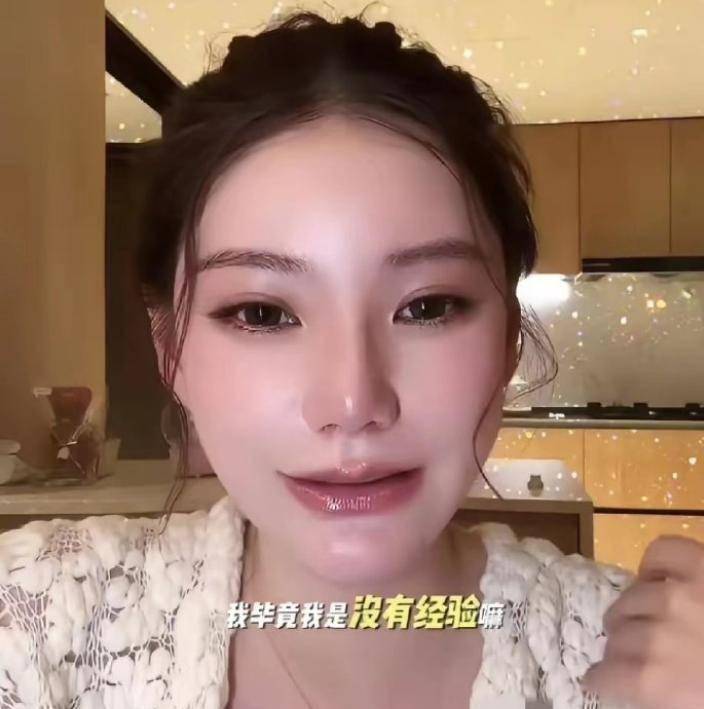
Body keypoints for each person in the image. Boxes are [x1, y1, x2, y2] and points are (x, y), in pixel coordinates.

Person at [2, 9, 703, 709]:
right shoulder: (38, 623)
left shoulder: (641, 665)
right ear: (170, 347)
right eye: (262, 313)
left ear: (509, 338)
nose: (353, 403)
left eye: (427, 306)